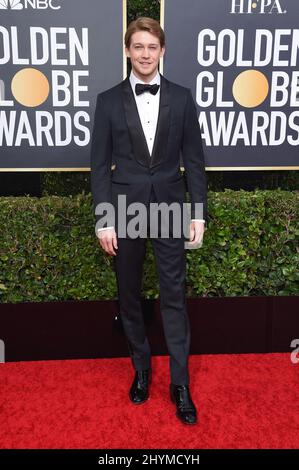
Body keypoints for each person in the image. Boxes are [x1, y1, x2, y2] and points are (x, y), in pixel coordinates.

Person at [90, 17, 208, 425]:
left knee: (174, 296)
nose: (144, 54)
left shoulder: (182, 97)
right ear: (127, 51)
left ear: (162, 51)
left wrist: (198, 213)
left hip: (171, 208)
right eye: (137, 47)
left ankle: (180, 384)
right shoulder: (107, 101)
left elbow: (194, 160)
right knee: (129, 295)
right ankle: (141, 369)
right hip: (125, 211)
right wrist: (105, 220)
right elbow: (99, 167)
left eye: (151, 47)